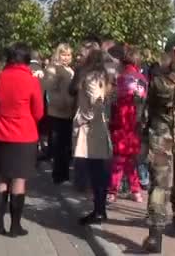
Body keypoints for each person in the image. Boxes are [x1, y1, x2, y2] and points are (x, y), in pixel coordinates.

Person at [0, 43, 44, 237]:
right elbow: (38, 112)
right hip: (24, 135)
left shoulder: (0, 77)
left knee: (2, 177)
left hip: (1, 133)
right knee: (19, 179)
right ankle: (15, 226)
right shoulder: (30, 80)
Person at [143, 34, 175, 252]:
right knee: (159, 184)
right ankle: (155, 235)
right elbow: (150, 107)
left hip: (167, 135)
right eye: (173, 50)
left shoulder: (158, 76)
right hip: (162, 137)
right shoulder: (158, 78)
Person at [72, 49, 113, 225]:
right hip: (100, 127)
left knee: (96, 172)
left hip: (91, 129)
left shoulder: (91, 78)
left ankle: (98, 211)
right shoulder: (104, 77)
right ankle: (100, 210)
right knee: (100, 172)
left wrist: (82, 118)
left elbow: (95, 102)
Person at [107, 46, 147, 203]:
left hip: (121, 122)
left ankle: (112, 191)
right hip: (135, 123)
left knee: (118, 159)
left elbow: (112, 101)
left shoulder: (120, 78)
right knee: (130, 159)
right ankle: (136, 191)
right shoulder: (142, 79)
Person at [43, 43, 75, 184]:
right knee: (58, 144)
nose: (66, 57)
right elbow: (49, 88)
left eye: (68, 55)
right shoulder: (53, 68)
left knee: (66, 144)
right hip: (57, 111)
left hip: (69, 111)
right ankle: (58, 174)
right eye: (63, 54)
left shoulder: (70, 70)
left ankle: (64, 172)